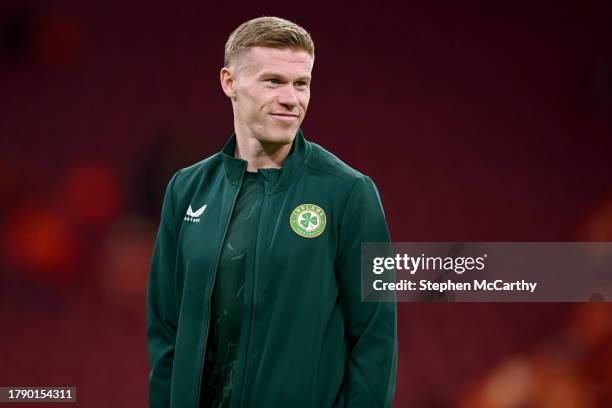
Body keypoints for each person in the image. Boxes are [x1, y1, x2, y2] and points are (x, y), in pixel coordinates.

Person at [147, 16, 396, 408]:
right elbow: (165, 328)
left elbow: (374, 337)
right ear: (229, 82)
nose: (291, 98)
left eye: (302, 84)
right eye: (274, 81)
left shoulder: (349, 193)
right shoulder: (187, 189)